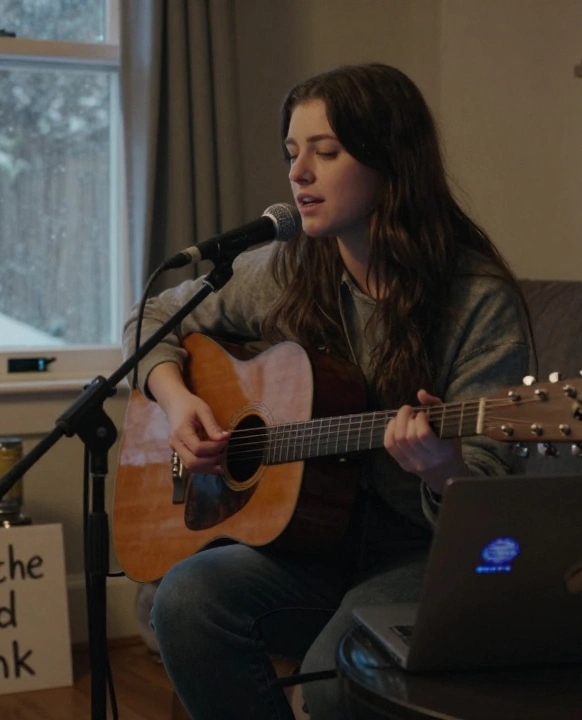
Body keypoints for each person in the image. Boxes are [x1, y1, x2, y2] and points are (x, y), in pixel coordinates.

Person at [122, 63, 531, 719]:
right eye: (292, 153)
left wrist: (442, 467)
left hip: (416, 552)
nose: (299, 173)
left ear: (390, 162)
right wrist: (178, 401)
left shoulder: (475, 300)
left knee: (337, 678)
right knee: (187, 598)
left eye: (326, 152)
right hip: (310, 544)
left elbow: (491, 499)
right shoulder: (287, 267)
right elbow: (149, 320)